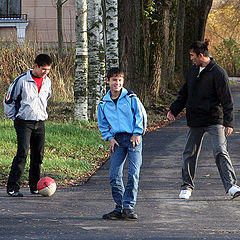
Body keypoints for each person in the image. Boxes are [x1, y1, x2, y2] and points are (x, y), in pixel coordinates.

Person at [167, 41, 240, 200]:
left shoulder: (218, 72)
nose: (191, 58)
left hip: (214, 119)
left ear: (201, 55)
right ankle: (186, 186)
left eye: (192, 55)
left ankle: (231, 186)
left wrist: (229, 123)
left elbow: (227, 100)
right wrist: (174, 109)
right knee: (189, 153)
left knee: (220, 150)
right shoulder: (193, 70)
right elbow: (184, 93)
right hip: (195, 120)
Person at [97, 67, 147, 220]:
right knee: (114, 175)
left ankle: (128, 206)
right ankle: (119, 207)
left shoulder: (131, 97)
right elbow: (103, 123)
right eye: (114, 80)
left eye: (119, 80)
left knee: (133, 173)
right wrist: (109, 138)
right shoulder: (103, 102)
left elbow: (141, 115)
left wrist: (137, 133)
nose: (117, 83)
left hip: (133, 139)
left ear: (123, 81)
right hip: (117, 140)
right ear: (108, 81)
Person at [3, 54, 52, 197]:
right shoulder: (21, 81)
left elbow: (46, 98)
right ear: (35, 66)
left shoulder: (47, 82)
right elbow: (8, 100)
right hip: (24, 122)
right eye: (43, 69)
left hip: (40, 122)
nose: (45, 72)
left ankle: (35, 186)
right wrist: (14, 117)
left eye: (48, 70)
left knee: (38, 156)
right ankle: (13, 187)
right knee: (22, 154)